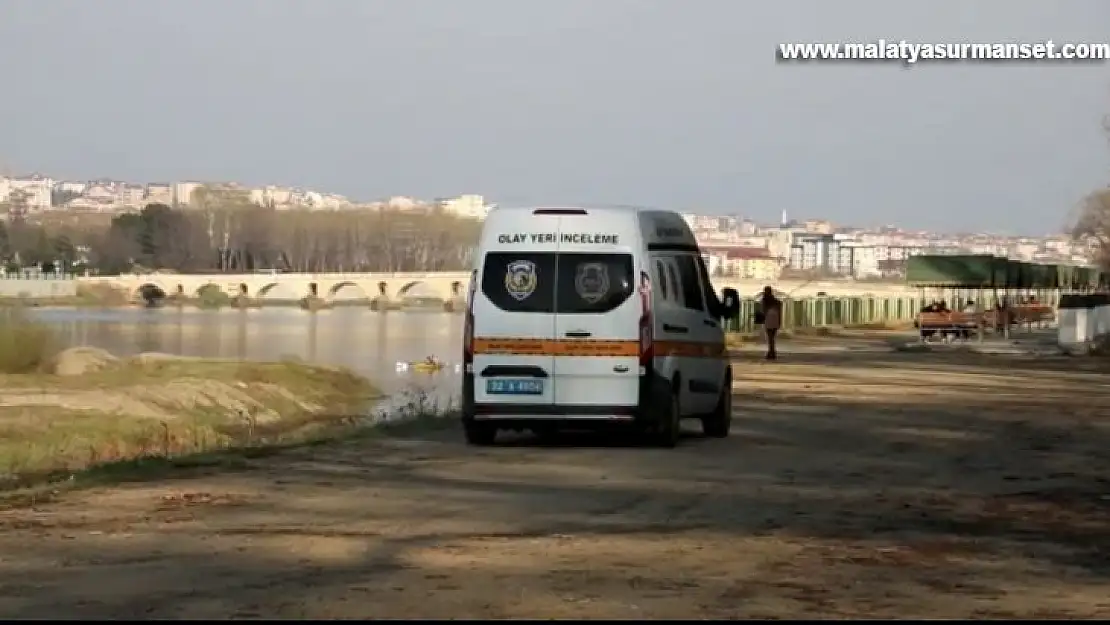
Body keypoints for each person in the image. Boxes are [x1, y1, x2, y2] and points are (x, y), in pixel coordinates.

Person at [759, 286, 782, 361]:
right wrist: (779, 321)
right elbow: (779, 312)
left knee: (770, 338)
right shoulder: (776, 301)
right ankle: (772, 352)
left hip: (768, 319)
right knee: (772, 337)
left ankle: (771, 352)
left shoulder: (764, 300)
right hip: (775, 319)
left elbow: (763, 311)